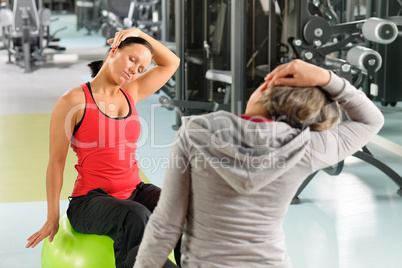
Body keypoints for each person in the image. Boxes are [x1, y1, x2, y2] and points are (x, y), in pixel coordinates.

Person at [128, 59, 384, 268]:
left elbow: (167, 222)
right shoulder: (306, 147)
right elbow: (372, 120)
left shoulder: (196, 132)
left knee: (134, 256)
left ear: (264, 90)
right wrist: (326, 78)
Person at [25, 28, 180, 268]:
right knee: (136, 217)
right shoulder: (74, 100)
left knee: (180, 208)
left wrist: (139, 34)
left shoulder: (131, 93)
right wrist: (52, 216)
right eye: (132, 59)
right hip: (90, 201)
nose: (134, 71)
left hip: (134, 190)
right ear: (114, 49)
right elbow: (56, 162)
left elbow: (171, 62)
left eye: (141, 69)